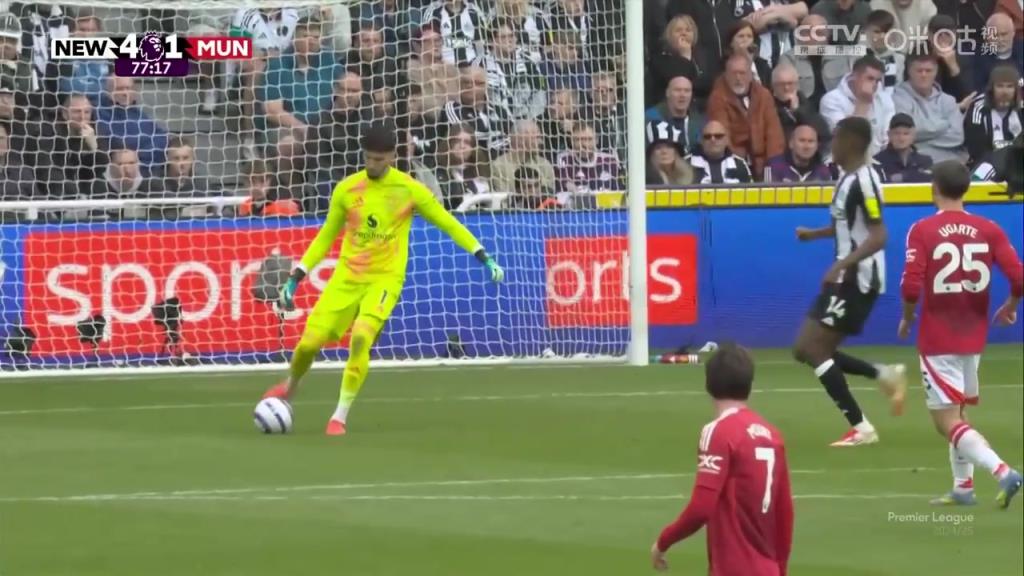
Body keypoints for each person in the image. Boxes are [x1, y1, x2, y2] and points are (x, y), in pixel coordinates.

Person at [262, 122, 504, 435]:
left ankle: (339, 416)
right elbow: (325, 237)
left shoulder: (409, 189)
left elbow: (449, 223)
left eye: (379, 159)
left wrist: (482, 255)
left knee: (361, 337)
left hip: (385, 280)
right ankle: (291, 384)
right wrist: (297, 276)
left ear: (391, 157)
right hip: (347, 278)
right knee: (308, 344)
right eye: (368, 158)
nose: (373, 164)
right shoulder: (347, 189)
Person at [898, 160, 1024, 509]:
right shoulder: (989, 228)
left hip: (938, 338)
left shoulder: (922, 230)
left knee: (946, 421)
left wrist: (907, 318)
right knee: (958, 413)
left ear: (934, 188)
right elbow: (1019, 277)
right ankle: (963, 488)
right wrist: (1011, 305)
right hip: (973, 336)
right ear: (966, 188)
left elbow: (911, 286)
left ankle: (1003, 472)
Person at [793, 116, 907, 447]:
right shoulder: (846, 178)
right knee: (805, 349)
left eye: (837, 139)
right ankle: (884, 375)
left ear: (853, 143)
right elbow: (847, 226)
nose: (832, 145)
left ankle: (862, 428)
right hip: (844, 276)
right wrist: (815, 234)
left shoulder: (866, 182)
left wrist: (842, 264)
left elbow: (879, 234)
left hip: (857, 278)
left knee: (815, 349)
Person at [650, 343, 793, 575]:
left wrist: (662, 542)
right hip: (768, 569)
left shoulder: (717, 432)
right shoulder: (772, 435)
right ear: (750, 385)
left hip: (733, 568)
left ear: (708, 385)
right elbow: (784, 513)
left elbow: (701, 508)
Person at [873, 113, 934, 183]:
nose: (901, 138)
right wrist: (914, 175)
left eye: (906, 134)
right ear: (889, 135)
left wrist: (901, 177)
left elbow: (927, 179)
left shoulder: (925, 161)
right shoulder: (878, 161)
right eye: (896, 133)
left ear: (914, 135)